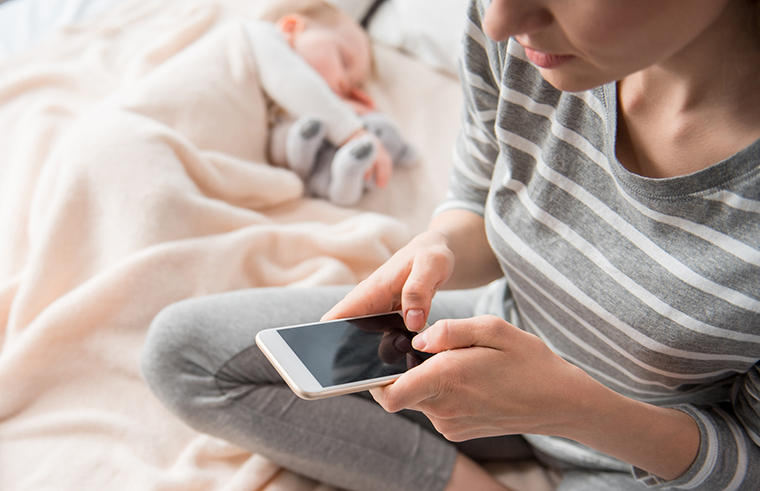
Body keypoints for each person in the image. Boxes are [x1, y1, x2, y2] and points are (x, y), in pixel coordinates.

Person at [141, 0, 760, 490]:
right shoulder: (518, 36)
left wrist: (570, 409)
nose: (499, 19)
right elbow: (481, 193)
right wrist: (439, 244)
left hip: (636, 455)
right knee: (185, 353)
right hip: (492, 336)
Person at [247, 0, 394, 203]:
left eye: (351, 87)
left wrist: (349, 108)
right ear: (291, 28)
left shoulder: (273, 111)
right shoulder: (257, 35)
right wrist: (353, 131)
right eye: (343, 60)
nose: (344, 84)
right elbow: (290, 81)